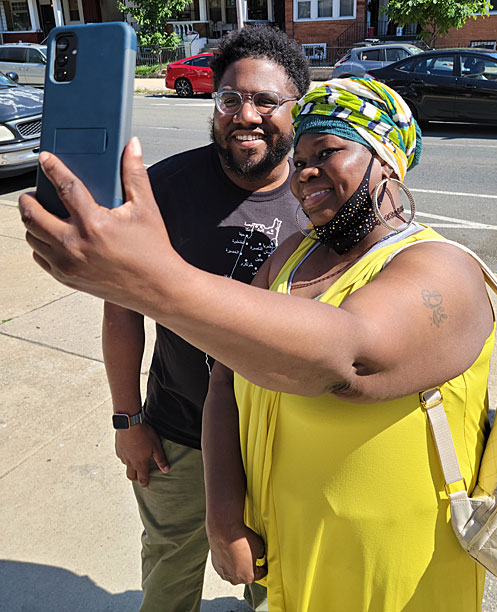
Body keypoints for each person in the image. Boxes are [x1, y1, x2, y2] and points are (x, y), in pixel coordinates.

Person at [19, 78, 494, 611]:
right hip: (287, 549)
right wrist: (223, 515)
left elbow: (350, 358)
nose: (304, 174)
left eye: (328, 151)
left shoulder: (444, 268)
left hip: (393, 569)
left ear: (387, 160)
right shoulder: (294, 254)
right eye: (301, 158)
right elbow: (225, 374)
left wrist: (153, 280)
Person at [101, 26, 309, 612]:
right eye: (230, 99)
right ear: (214, 107)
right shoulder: (163, 189)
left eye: (267, 101)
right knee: (169, 576)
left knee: (278, 581)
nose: (246, 115)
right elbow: (122, 309)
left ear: (297, 109)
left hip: (285, 437)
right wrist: (127, 420)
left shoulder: (321, 192)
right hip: (178, 433)